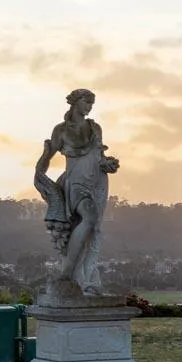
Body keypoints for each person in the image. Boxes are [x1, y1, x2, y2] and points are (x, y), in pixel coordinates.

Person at [32, 88, 120, 294]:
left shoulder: (95, 127)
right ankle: (67, 274)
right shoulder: (61, 130)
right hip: (75, 183)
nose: (89, 107)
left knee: (93, 229)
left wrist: (108, 163)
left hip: (97, 183)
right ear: (75, 102)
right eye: (86, 102)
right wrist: (40, 173)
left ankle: (84, 278)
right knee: (89, 217)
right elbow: (47, 158)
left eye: (92, 103)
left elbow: (99, 157)